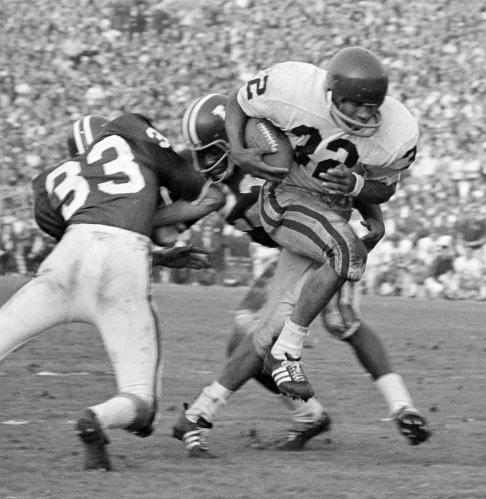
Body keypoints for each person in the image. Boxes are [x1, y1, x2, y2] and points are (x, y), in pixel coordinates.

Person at [171, 93, 431, 455]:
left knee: (338, 320)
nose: (205, 163)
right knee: (247, 336)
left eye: (214, 151)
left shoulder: (276, 146)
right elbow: (170, 215)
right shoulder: (205, 180)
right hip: (292, 245)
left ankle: (402, 407)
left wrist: (375, 215)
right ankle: (308, 416)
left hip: (323, 236)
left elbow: (337, 168)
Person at [0, 113, 225, 470]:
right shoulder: (130, 130)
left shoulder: (46, 183)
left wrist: (161, 256)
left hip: (66, 261)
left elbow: (92, 228)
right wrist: (172, 228)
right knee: (141, 400)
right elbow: (207, 196)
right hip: (122, 265)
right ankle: (98, 418)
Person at [221, 47, 420, 407]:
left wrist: (360, 191)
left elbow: (385, 186)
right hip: (291, 211)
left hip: (326, 220)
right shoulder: (290, 89)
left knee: (337, 310)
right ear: (332, 95)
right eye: (356, 105)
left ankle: (387, 407)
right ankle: (289, 379)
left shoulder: (395, 133)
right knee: (250, 330)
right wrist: (237, 147)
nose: (366, 114)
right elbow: (239, 100)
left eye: (372, 106)